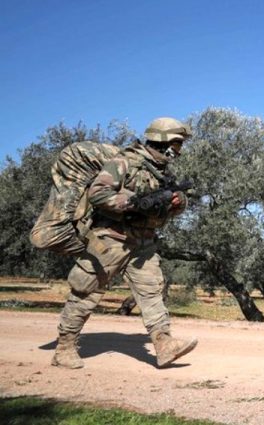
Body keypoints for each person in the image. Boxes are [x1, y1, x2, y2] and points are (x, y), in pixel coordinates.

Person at [51, 117, 198, 369]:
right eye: (176, 144)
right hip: (110, 240)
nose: (178, 150)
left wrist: (177, 202)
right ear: (163, 141)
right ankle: (64, 348)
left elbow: (174, 202)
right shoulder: (124, 162)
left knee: (151, 293)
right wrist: (133, 201)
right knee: (85, 292)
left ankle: (164, 344)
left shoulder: (161, 172)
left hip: (143, 244)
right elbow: (98, 193)